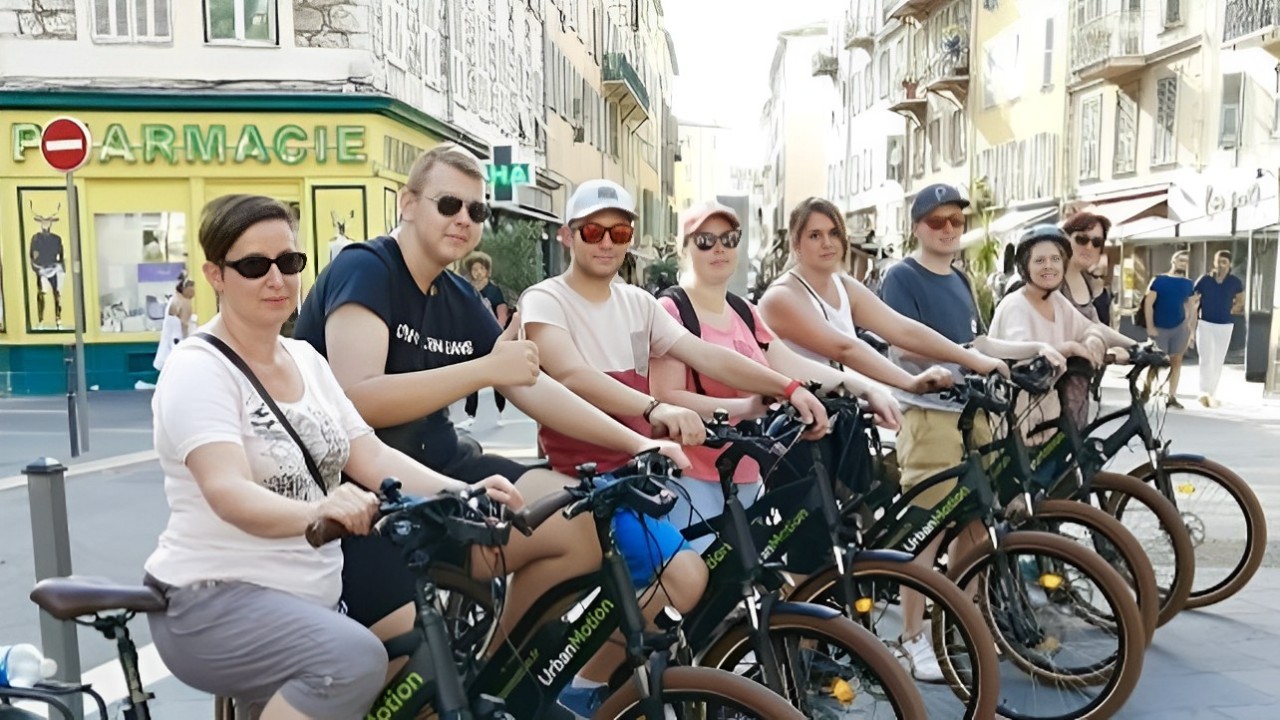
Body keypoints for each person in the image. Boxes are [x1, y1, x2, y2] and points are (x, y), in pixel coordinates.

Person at [291, 144, 690, 678]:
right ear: (408, 203)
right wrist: (482, 370)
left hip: (443, 468)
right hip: (362, 494)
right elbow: (358, 394)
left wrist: (636, 440)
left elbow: (533, 385)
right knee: (412, 669)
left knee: (583, 525)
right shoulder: (366, 268)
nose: (464, 220)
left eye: (477, 211)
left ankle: (498, 673)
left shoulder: (458, 294)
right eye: (449, 205)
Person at [144, 194, 525, 719]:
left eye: (290, 263)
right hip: (214, 599)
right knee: (353, 660)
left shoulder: (305, 358)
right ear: (215, 274)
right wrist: (316, 513)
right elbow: (226, 489)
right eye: (255, 266)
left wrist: (463, 492)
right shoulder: (198, 368)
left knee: (430, 651)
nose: (277, 279)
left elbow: (368, 454)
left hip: (311, 597)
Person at [520, 180, 830, 716]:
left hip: (633, 479)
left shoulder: (638, 303)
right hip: (577, 478)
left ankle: (598, 690)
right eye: (594, 230)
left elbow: (705, 356)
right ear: (569, 236)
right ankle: (579, 684)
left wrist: (787, 387)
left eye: (620, 231)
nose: (607, 242)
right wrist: (653, 409)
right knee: (671, 578)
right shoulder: (546, 297)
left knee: (685, 578)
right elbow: (570, 372)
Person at [816, 186, 1061, 682]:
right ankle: (910, 637)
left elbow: (977, 340)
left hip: (975, 414)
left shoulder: (961, 277)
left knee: (972, 528)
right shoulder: (902, 276)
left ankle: (957, 624)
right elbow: (901, 347)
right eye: (936, 221)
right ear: (917, 226)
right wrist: (954, 367)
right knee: (926, 529)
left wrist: (1035, 349)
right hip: (930, 416)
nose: (948, 229)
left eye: (955, 220)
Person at [649, 200, 902, 551]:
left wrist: (863, 388)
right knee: (700, 592)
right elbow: (667, 397)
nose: (719, 248)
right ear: (685, 248)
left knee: (747, 591)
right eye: (705, 240)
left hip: (747, 474)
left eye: (730, 238)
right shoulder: (672, 309)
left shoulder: (744, 311)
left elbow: (791, 366)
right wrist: (746, 406)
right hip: (693, 477)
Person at [988, 225, 1129, 438]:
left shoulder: (1057, 301)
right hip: (1014, 424)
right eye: (1039, 260)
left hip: (1046, 415)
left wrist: (1136, 347)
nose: (1049, 266)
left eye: (1055, 259)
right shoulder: (1016, 305)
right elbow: (1023, 361)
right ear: (1024, 266)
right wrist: (1071, 348)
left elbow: (1091, 327)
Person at [1143, 250, 1198, 408]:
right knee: (1156, 362)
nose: (1183, 263)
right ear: (1173, 261)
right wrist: (1150, 326)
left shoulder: (1188, 283)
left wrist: (1190, 327)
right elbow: (1149, 304)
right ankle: (1146, 390)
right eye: (1181, 260)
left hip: (1179, 327)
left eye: (1186, 261)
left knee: (1177, 361)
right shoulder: (1159, 280)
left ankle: (1171, 396)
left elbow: (1190, 305)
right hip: (1160, 327)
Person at [462, 251, 509, 420]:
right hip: (470, 338)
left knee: (497, 374)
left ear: (487, 270)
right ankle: (470, 413)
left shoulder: (494, 291)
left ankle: (500, 408)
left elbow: (501, 312)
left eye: (481, 268)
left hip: (491, 338)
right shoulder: (465, 289)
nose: (478, 272)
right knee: (470, 374)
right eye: (474, 269)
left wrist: (498, 331)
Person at [1194, 250, 1244, 408]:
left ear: (1230, 264)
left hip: (1225, 324)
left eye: (1224, 262)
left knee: (1217, 359)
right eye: (1218, 261)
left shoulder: (1235, 281)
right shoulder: (1204, 280)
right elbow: (1194, 297)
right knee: (1205, 358)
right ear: (1214, 262)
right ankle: (1203, 392)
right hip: (1205, 323)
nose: (1221, 265)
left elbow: (1240, 300)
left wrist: (1233, 309)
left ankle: (1212, 393)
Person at [1060, 212, 1114, 326]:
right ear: (1066, 239)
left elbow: (1099, 327)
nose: (1089, 247)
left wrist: (1132, 344)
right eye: (1082, 239)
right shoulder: (1049, 279)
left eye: (1097, 242)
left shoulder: (1092, 284)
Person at [153, 273, 196, 371]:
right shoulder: (182, 302)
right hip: (177, 341)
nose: (194, 292)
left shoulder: (176, 299)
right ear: (186, 288)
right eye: (193, 288)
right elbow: (184, 324)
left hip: (172, 340)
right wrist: (187, 341)